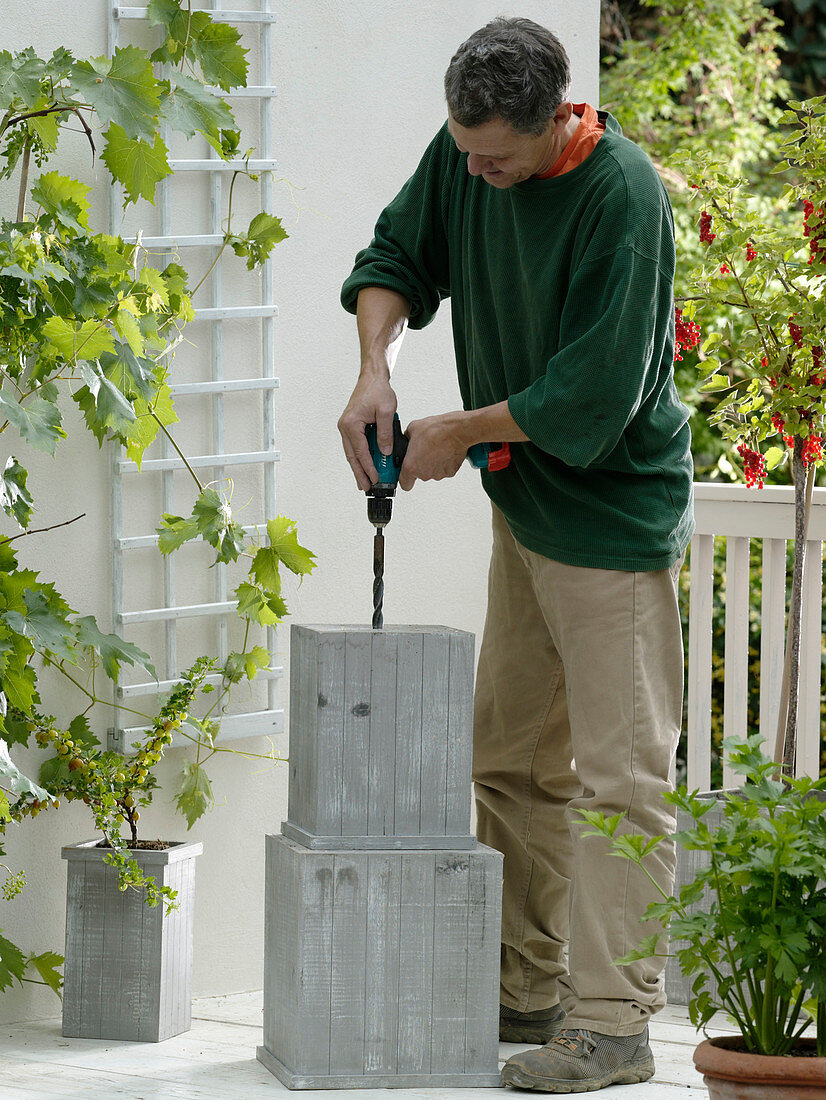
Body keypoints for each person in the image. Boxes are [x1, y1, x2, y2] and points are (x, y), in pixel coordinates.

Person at [338, 16, 693, 1094]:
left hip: (609, 522)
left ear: (553, 122)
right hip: (525, 507)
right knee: (509, 758)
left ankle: (613, 1022)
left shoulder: (622, 198)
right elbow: (394, 257)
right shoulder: (463, 156)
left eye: (494, 155)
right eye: (464, 146)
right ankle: (527, 981)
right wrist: (375, 368)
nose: (475, 168)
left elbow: (597, 395)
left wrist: (458, 429)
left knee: (619, 782)